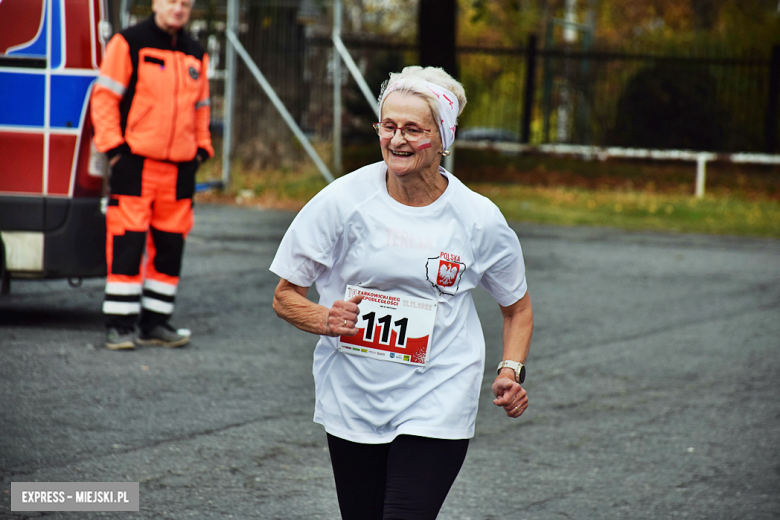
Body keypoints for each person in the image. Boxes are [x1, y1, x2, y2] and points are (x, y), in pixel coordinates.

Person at [270, 66, 534, 519]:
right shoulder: (342, 201)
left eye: (414, 129)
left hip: (439, 391)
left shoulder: (478, 218)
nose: (397, 140)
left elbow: (518, 308)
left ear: (444, 136)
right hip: (352, 395)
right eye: (388, 126)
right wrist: (322, 319)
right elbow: (285, 294)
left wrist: (511, 369)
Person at [91, 0, 213, 350]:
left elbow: (201, 108)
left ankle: (156, 322)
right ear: (156, 3)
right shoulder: (128, 42)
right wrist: (114, 150)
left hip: (179, 168)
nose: (179, 9)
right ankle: (120, 325)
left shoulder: (196, 53)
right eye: (172, 1)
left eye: (186, 4)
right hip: (136, 163)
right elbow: (104, 99)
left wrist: (202, 149)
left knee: (170, 247)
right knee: (127, 242)